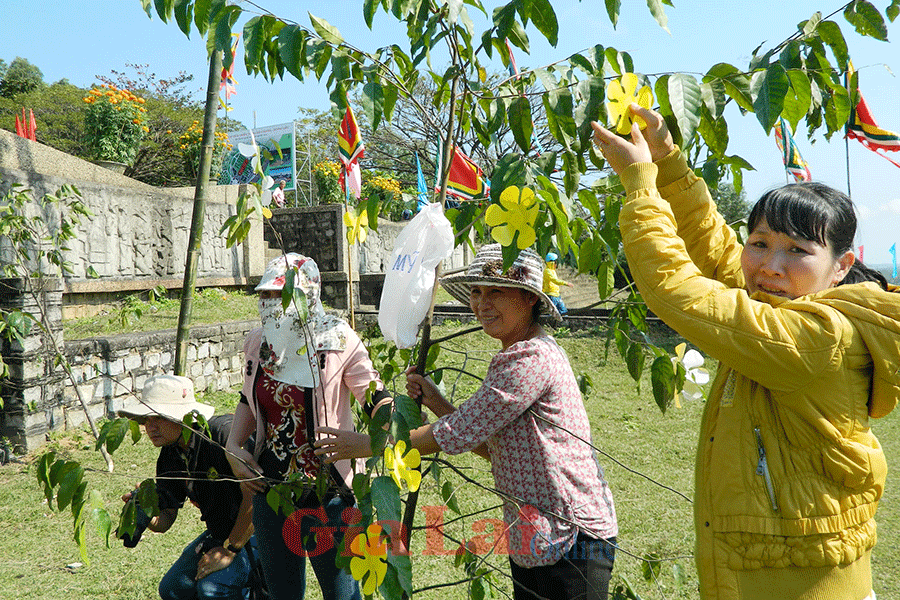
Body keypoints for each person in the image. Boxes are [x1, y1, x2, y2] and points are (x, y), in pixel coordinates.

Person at [592, 105, 900, 600]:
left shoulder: (817, 337)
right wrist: (669, 165)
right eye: (759, 243)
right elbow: (714, 251)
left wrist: (641, 188)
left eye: (798, 251)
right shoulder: (782, 307)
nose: (771, 266)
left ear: (842, 267)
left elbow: (679, 290)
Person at [314, 244, 619, 600]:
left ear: (529, 299)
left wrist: (368, 446)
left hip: (573, 536)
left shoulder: (530, 358)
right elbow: (492, 448)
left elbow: (452, 434)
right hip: (535, 534)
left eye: (496, 292)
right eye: (476, 292)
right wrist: (438, 403)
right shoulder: (517, 353)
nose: (482, 304)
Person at [226, 253, 392, 600]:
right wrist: (234, 446)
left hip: (330, 493)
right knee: (282, 592)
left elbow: (375, 397)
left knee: (342, 592)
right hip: (271, 492)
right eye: (266, 295)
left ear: (309, 296)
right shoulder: (259, 343)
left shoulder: (337, 339)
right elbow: (248, 400)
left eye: (282, 295)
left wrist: (374, 438)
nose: (272, 304)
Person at [117, 374, 258, 600]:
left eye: (159, 418)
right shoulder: (170, 454)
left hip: (260, 530)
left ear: (184, 416)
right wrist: (147, 512)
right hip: (221, 533)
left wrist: (230, 549)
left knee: (213, 589)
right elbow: (165, 520)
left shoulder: (223, 435)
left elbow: (256, 496)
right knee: (172, 589)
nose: (150, 427)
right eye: (146, 420)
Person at [542, 251, 574, 316]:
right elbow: (555, 280)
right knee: (550, 312)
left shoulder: (552, 271)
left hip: (556, 295)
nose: (556, 264)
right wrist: (566, 283)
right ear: (552, 262)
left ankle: (565, 323)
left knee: (563, 310)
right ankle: (546, 323)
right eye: (555, 262)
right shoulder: (547, 271)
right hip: (551, 295)